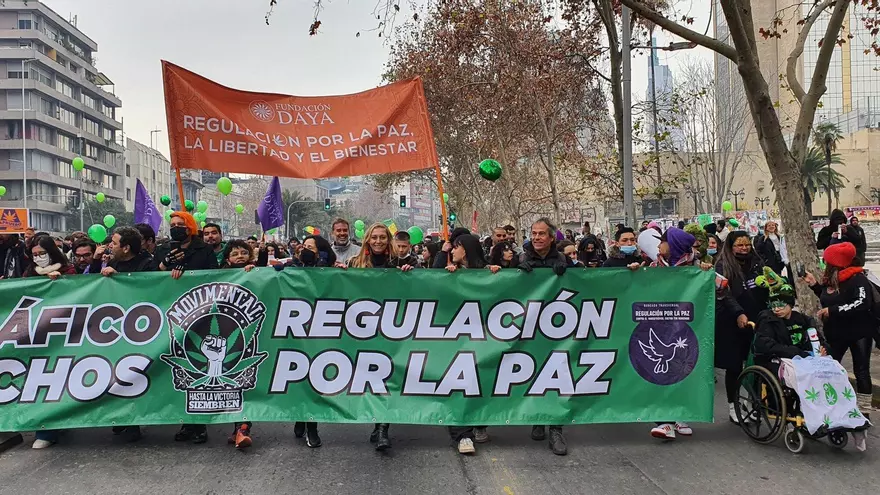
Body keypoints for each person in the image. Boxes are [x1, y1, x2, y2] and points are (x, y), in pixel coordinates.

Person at [347, 223, 414, 451]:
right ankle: (376, 421)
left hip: (391, 330)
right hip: (363, 331)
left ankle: (383, 427)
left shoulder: (400, 264)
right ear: (367, 239)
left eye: (382, 238)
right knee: (369, 378)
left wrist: (409, 275)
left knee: (387, 378)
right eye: (374, 237)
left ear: (389, 240)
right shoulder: (354, 264)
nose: (378, 241)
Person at [802, 242, 875, 419]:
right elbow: (829, 299)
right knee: (829, 366)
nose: (825, 264)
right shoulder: (831, 280)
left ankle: (864, 409)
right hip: (836, 333)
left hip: (859, 333)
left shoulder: (858, 279)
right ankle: (831, 402)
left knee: (862, 371)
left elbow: (861, 303)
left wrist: (832, 311)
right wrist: (814, 286)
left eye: (828, 261)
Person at [518, 218, 568, 455]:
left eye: (541, 234)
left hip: (556, 328)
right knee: (534, 373)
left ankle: (555, 429)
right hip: (529, 328)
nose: (537, 238)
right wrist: (516, 273)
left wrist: (567, 272)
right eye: (534, 233)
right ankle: (538, 418)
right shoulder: (522, 257)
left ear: (551, 238)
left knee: (556, 375)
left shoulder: (560, 259)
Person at [714, 231, 768, 425]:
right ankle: (733, 405)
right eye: (739, 245)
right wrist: (738, 313)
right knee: (734, 366)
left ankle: (751, 402)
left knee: (754, 363)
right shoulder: (722, 265)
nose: (744, 248)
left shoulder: (757, 263)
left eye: (746, 245)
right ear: (730, 247)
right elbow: (724, 294)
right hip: (730, 320)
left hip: (756, 319)